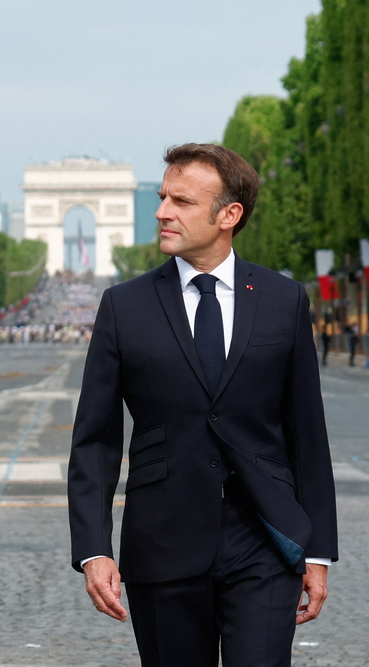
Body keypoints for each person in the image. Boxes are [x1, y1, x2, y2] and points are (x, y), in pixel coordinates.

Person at [68, 143, 338, 667]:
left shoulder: (286, 300)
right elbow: (95, 439)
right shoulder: (123, 306)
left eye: (182, 201)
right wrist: (94, 548)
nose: (162, 211)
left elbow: (307, 432)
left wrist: (320, 549)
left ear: (228, 216)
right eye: (163, 196)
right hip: (162, 542)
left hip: (266, 539)